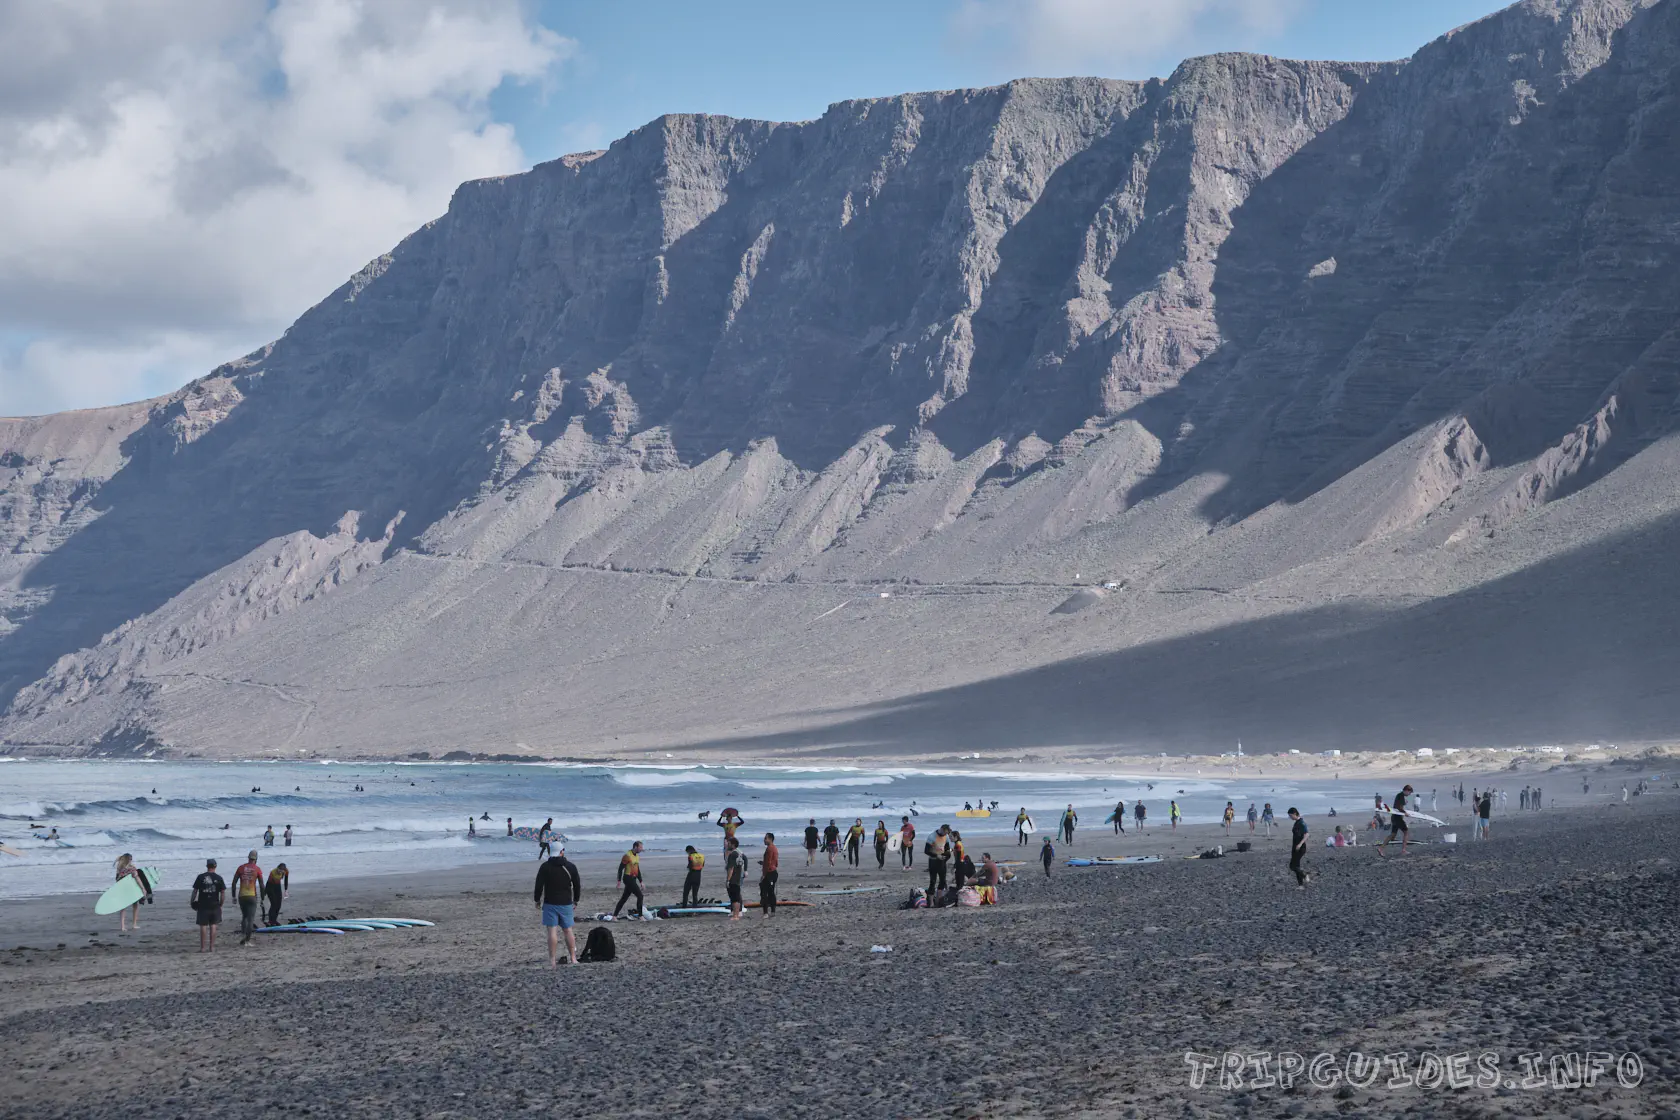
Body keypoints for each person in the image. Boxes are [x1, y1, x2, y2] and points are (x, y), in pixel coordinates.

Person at [533, 843, 582, 967]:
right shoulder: (571, 866)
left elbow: (539, 885)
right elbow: (577, 885)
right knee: (568, 930)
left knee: (552, 931)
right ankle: (573, 958)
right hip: (566, 902)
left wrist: (537, 900)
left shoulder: (545, 867)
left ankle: (552, 960)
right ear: (562, 851)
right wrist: (576, 900)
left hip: (550, 902)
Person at [191, 858, 226, 952]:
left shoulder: (200, 877)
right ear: (215, 866)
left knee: (203, 925)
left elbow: (195, 891)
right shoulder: (219, 878)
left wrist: (192, 901)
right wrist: (221, 904)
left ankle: (202, 948)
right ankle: (211, 947)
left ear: (207, 866)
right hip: (214, 904)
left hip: (203, 904)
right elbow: (223, 893)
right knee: (213, 925)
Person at [232, 851, 264, 945]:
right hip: (252, 895)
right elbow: (262, 885)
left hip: (242, 896)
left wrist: (233, 896)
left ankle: (243, 936)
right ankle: (247, 940)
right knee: (251, 918)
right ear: (256, 859)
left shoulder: (241, 868)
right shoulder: (257, 869)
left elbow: (234, 883)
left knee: (244, 916)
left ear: (248, 857)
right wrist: (262, 897)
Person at [113, 854, 150, 932]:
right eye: (130, 859)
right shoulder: (132, 869)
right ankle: (134, 924)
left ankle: (123, 926)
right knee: (135, 906)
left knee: (123, 907)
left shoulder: (119, 869)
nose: (131, 860)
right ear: (128, 860)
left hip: (122, 889)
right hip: (131, 889)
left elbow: (117, 880)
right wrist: (143, 888)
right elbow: (137, 879)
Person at [1377, 784, 1414, 856]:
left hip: (1394, 817)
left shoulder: (1399, 795)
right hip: (1398, 818)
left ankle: (1381, 848)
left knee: (1393, 834)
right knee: (1406, 832)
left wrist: (1404, 804)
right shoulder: (1401, 796)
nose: (1409, 794)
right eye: (1409, 793)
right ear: (1406, 790)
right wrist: (1405, 813)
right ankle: (1403, 850)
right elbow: (1399, 807)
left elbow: (1398, 805)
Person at [613, 842, 645, 918]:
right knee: (640, 896)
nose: (642, 849)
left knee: (624, 898)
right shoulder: (627, 856)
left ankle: (614, 916)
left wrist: (641, 881)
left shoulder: (637, 856)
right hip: (627, 878)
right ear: (635, 847)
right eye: (640, 847)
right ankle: (641, 916)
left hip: (633, 878)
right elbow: (620, 869)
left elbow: (637, 870)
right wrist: (619, 881)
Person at [724, 837, 746, 920]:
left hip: (733, 878)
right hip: (738, 877)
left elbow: (731, 868)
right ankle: (736, 913)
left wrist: (728, 880)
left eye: (729, 843)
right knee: (735, 896)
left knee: (734, 898)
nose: (727, 845)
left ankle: (735, 915)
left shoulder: (733, 854)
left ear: (733, 845)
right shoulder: (739, 853)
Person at [926, 825, 951, 895]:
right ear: (941, 829)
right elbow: (926, 851)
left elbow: (947, 850)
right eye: (945, 833)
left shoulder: (946, 837)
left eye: (946, 833)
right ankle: (930, 900)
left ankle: (939, 897)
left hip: (942, 861)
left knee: (943, 881)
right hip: (933, 861)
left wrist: (946, 857)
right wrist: (937, 856)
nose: (945, 835)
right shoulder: (932, 837)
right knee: (933, 881)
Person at [759, 833, 780, 916]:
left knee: (764, 892)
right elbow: (775, 862)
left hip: (770, 873)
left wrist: (764, 875)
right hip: (773, 872)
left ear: (770, 839)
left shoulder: (770, 848)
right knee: (771, 892)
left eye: (765, 838)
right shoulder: (774, 848)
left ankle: (766, 912)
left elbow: (768, 862)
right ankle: (773, 911)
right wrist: (763, 863)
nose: (764, 840)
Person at [1287, 808, 1309, 887]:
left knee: (1293, 866)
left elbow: (1307, 835)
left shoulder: (1302, 823)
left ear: (1295, 813)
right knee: (1295, 866)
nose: (1290, 817)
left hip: (1300, 847)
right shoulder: (1296, 822)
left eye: (1291, 815)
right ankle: (1301, 885)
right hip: (1295, 846)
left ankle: (1304, 875)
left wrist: (1300, 844)